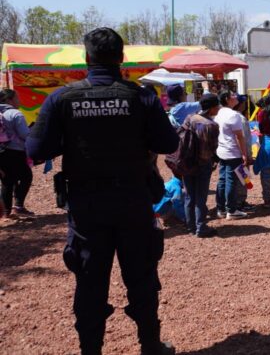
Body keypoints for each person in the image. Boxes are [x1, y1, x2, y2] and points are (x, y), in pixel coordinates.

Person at [26, 27, 179, 355]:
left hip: (87, 206)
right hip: (133, 201)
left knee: (90, 281)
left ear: (86, 58)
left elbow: (37, 149)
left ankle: (90, 350)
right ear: (122, 58)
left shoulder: (62, 99)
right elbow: (168, 143)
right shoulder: (141, 97)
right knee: (141, 277)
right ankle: (151, 345)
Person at [183, 94, 221, 238]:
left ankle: (191, 226)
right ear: (211, 108)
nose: (218, 108)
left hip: (186, 162)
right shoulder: (212, 125)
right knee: (200, 196)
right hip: (203, 163)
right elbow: (213, 147)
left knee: (189, 195)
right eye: (217, 106)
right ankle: (201, 227)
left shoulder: (189, 118)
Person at [214, 90, 250, 220]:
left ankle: (221, 208)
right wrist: (244, 154)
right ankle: (232, 210)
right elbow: (239, 136)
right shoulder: (233, 115)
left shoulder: (219, 113)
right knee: (231, 181)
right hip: (232, 152)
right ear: (227, 99)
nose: (236, 96)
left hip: (222, 150)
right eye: (233, 95)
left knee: (222, 179)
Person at [0, 89, 33, 217]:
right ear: (9, 100)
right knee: (26, 176)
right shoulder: (15, 114)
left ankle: (6, 212)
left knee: (7, 181)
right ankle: (18, 206)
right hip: (15, 151)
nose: (19, 101)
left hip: (1, 152)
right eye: (17, 98)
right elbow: (24, 134)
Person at [233, 95, 255, 212]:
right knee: (243, 178)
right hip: (242, 153)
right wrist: (247, 154)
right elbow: (244, 138)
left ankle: (236, 202)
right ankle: (240, 202)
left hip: (231, 153)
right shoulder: (241, 118)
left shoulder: (229, 116)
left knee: (234, 179)